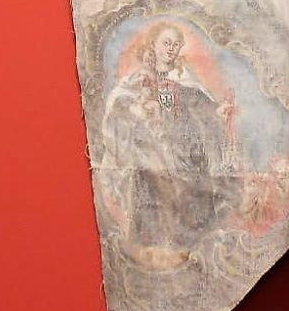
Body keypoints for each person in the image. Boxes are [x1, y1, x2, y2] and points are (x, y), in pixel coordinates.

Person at [100, 23, 236, 267]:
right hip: (153, 149)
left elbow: (204, 106)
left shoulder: (185, 78)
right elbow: (120, 101)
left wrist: (219, 111)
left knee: (193, 188)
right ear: (153, 45)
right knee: (150, 181)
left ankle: (190, 247)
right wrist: (137, 110)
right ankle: (152, 250)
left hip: (185, 149)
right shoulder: (140, 78)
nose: (171, 48)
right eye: (166, 43)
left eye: (175, 44)